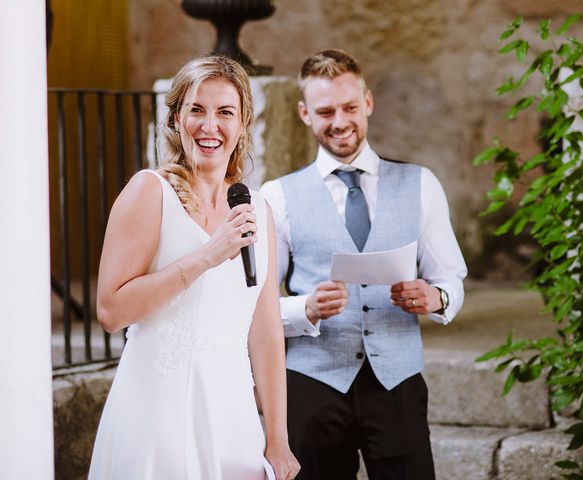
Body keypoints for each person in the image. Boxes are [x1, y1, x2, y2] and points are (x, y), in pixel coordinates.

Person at [88, 55, 299, 480]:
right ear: (176, 119)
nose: (209, 126)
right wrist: (206, 256)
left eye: (225, 112)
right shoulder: (149, 192)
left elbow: (266, 332)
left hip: (231, 416)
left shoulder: (257, 209)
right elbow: (111, 311)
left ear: (242, 124)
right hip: (157, 411)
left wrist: (277, 438)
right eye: (196, 110)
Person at [260, 49, 468, 479]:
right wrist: (306, 308)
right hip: (311, 383)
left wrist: (436, 296)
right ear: (304, 113)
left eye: (350, 107)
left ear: (368, 103)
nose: (340, 121)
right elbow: (256, 305)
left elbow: (450, 278)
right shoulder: (277, 196)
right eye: (325, 111)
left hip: (397, 381)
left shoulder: (421, 184)